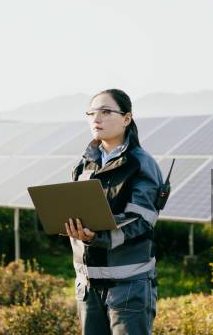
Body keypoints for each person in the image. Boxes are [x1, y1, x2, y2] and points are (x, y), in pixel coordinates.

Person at [66, 88, 163, 335]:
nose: (97, 118)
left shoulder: (140, 164)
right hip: (88, 286)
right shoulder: (83, 164)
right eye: (92, 113)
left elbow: (140, 220)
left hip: (128, 287)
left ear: (127, 118)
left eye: (106, 111)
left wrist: (96, 236)